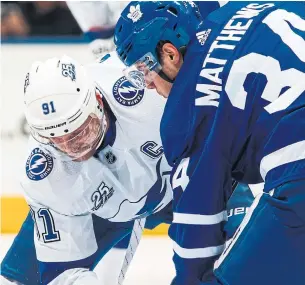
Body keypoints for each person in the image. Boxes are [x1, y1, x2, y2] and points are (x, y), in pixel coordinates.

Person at [0, 51, 256, 285]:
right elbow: (63, 274)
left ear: (98, 101)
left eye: (79, 132)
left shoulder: (148, 88)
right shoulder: (44, 172)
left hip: (190, 178)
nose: (71, 148)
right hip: (103, 207)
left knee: (247, 257)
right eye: (56, 139)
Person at [114, 1, 305, 285]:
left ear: (170, 54)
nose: (149, 85)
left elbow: (197, 231)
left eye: (144, 69)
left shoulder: (186, 109)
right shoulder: (249, 7)